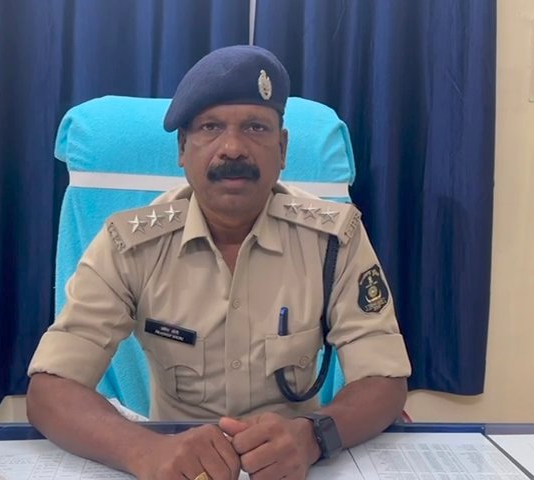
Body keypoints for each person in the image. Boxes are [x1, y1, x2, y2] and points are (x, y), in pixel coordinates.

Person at [27, 45, 411, 480]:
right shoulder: (129, 244)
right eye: (210, 127)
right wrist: (145, 451)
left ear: (283, 149)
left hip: (295, 466)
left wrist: (313, 436)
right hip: (174, 467)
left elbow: (385, 379)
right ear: (182, 149)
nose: (232, 148)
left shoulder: (334, 239)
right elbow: (50, 389)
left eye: (255, 128)